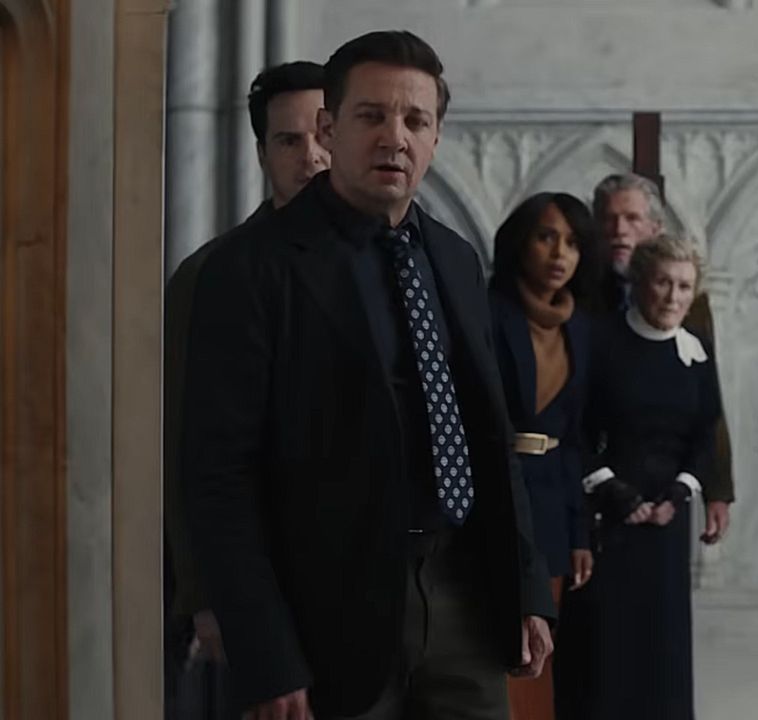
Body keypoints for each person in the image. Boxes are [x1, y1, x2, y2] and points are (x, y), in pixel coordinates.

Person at [181, 31, 554, 720]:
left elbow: (488, 437)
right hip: (324, 615)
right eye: (371, 116)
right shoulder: (250, 268)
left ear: (436, 137)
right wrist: (264, 650)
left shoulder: (455, 259)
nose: (395, 137)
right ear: (330, 129)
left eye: (415, 120)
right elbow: (218, 476)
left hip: (464, 597)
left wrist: (527, 588)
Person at [163, 59, 329, 718]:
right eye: (289, 141)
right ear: (262, 155)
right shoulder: (211, 274)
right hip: (259, 576)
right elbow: (186, 447)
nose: (310, 156)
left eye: (322, 134)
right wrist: (205, 596)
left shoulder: (393, 259)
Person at [557, 234, 721, 720]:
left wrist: (679, 493)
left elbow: (705, 433)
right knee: (610, 650)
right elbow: (576, 429)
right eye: (663, 283)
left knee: (663, 649)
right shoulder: (599, 341)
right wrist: (616, 492)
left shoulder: (696, 350)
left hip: (668, 521)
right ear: (639, 281)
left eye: (684, 286)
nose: (673, 297)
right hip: (609, 519)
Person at [487, 192, 600, 720]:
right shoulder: (487, 311)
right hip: (493, 497)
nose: (560, 254)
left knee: (540, 652)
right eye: (546, 237)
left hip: (552, 505)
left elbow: (576, 438)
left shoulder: (581, 327)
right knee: (493, 650)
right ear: (520, 242)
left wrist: (579, 533)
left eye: (573, 243)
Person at [591, 172, 734, 543]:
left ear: (655, 227)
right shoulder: (581, 294)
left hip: (666, 487)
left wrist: (717, 489)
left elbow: (709, 410)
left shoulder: (691, 303)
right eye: (609, 219)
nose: (620, 231)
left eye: (632, 219)